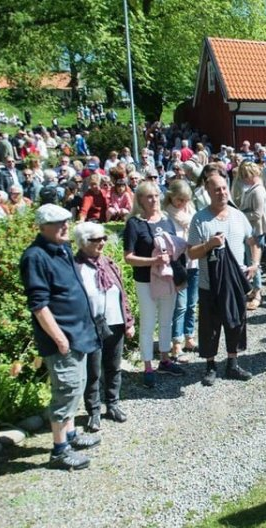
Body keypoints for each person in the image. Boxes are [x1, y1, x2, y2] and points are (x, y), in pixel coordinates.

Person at [20, 204, 101, 470]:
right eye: (58, 223)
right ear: (42, 228)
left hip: (79, 332)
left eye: (67, 221)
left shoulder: (63, 248)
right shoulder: (35, 257)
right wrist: (59, 338)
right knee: (65, 391)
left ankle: (70, 434)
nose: (66, 226)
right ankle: (59, 451)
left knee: (77, 385)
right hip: (62, 338)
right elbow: (39, 305)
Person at [188, 169, 260, 385]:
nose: (221, 192)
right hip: (209, 284)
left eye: (224, 188)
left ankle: (232, 363)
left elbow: (253, 242)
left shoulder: (238, 216)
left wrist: (255, 265)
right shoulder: (200, 219)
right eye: (216, 189)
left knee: (236, 322)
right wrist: (209, 244)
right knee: (210, 325)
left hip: (235, 282)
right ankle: (210, 365)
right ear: (208, 192)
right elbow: (191, 252)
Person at [73, 222, 135, 432]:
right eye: (96, 239)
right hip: (91, 326)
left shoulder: (108, 263)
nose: (101, 243)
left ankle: (113, 404)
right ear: (83, 242)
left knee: (114, 366)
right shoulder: (76, 268)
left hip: (115, 322)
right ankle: (93, 411)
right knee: (93, 371)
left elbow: (122, 294)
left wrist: (128, 321)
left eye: (103, 238)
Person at [123, 181, 185, 388]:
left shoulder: (166, 220)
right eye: (148, 196)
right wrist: (153, 261)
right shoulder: (134, 223)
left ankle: (165, 358)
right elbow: (128, 257)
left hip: (167, 277)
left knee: (167, 320)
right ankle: (148, 365)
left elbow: (174, 246)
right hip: (145, 279)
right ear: (140, 200)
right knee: (149, 324)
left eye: (156, 195)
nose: (154, 200)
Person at [164, 180, 199, 360]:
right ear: (171, 196)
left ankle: (189, 336)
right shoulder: (167, 215)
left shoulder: (192, 211)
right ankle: (176, 341)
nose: (182, 204)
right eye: (179, 200)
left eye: (185, 200)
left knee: (192, 304)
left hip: (194, 262)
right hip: (178, 263)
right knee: (180, 305)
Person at [236, 161, 266, 310]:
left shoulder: (258, 191)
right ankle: (255, 289)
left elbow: (258, 214)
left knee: (254, 263)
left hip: (256, 230)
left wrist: (240, 214)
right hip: (251, 230)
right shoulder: (252, 189)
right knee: (251, 261)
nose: (243, 179)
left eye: (245, 176)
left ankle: (258, 293)